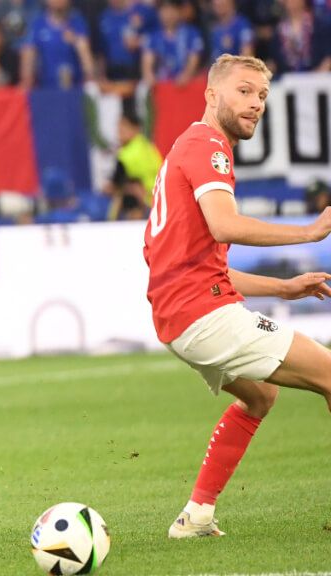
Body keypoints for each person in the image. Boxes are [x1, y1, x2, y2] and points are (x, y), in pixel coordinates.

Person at [143, 54, 331, 539]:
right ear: (211, 95)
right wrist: (308, 232)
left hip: (180, 320)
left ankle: (196, 516)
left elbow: (210, 264)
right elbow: (225, 225)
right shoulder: (208, 146)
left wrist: (284, 287)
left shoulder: (187, 148)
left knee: (260, 396)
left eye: (262, 96)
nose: (255, 104)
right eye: (244, 91)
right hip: (204, 315)